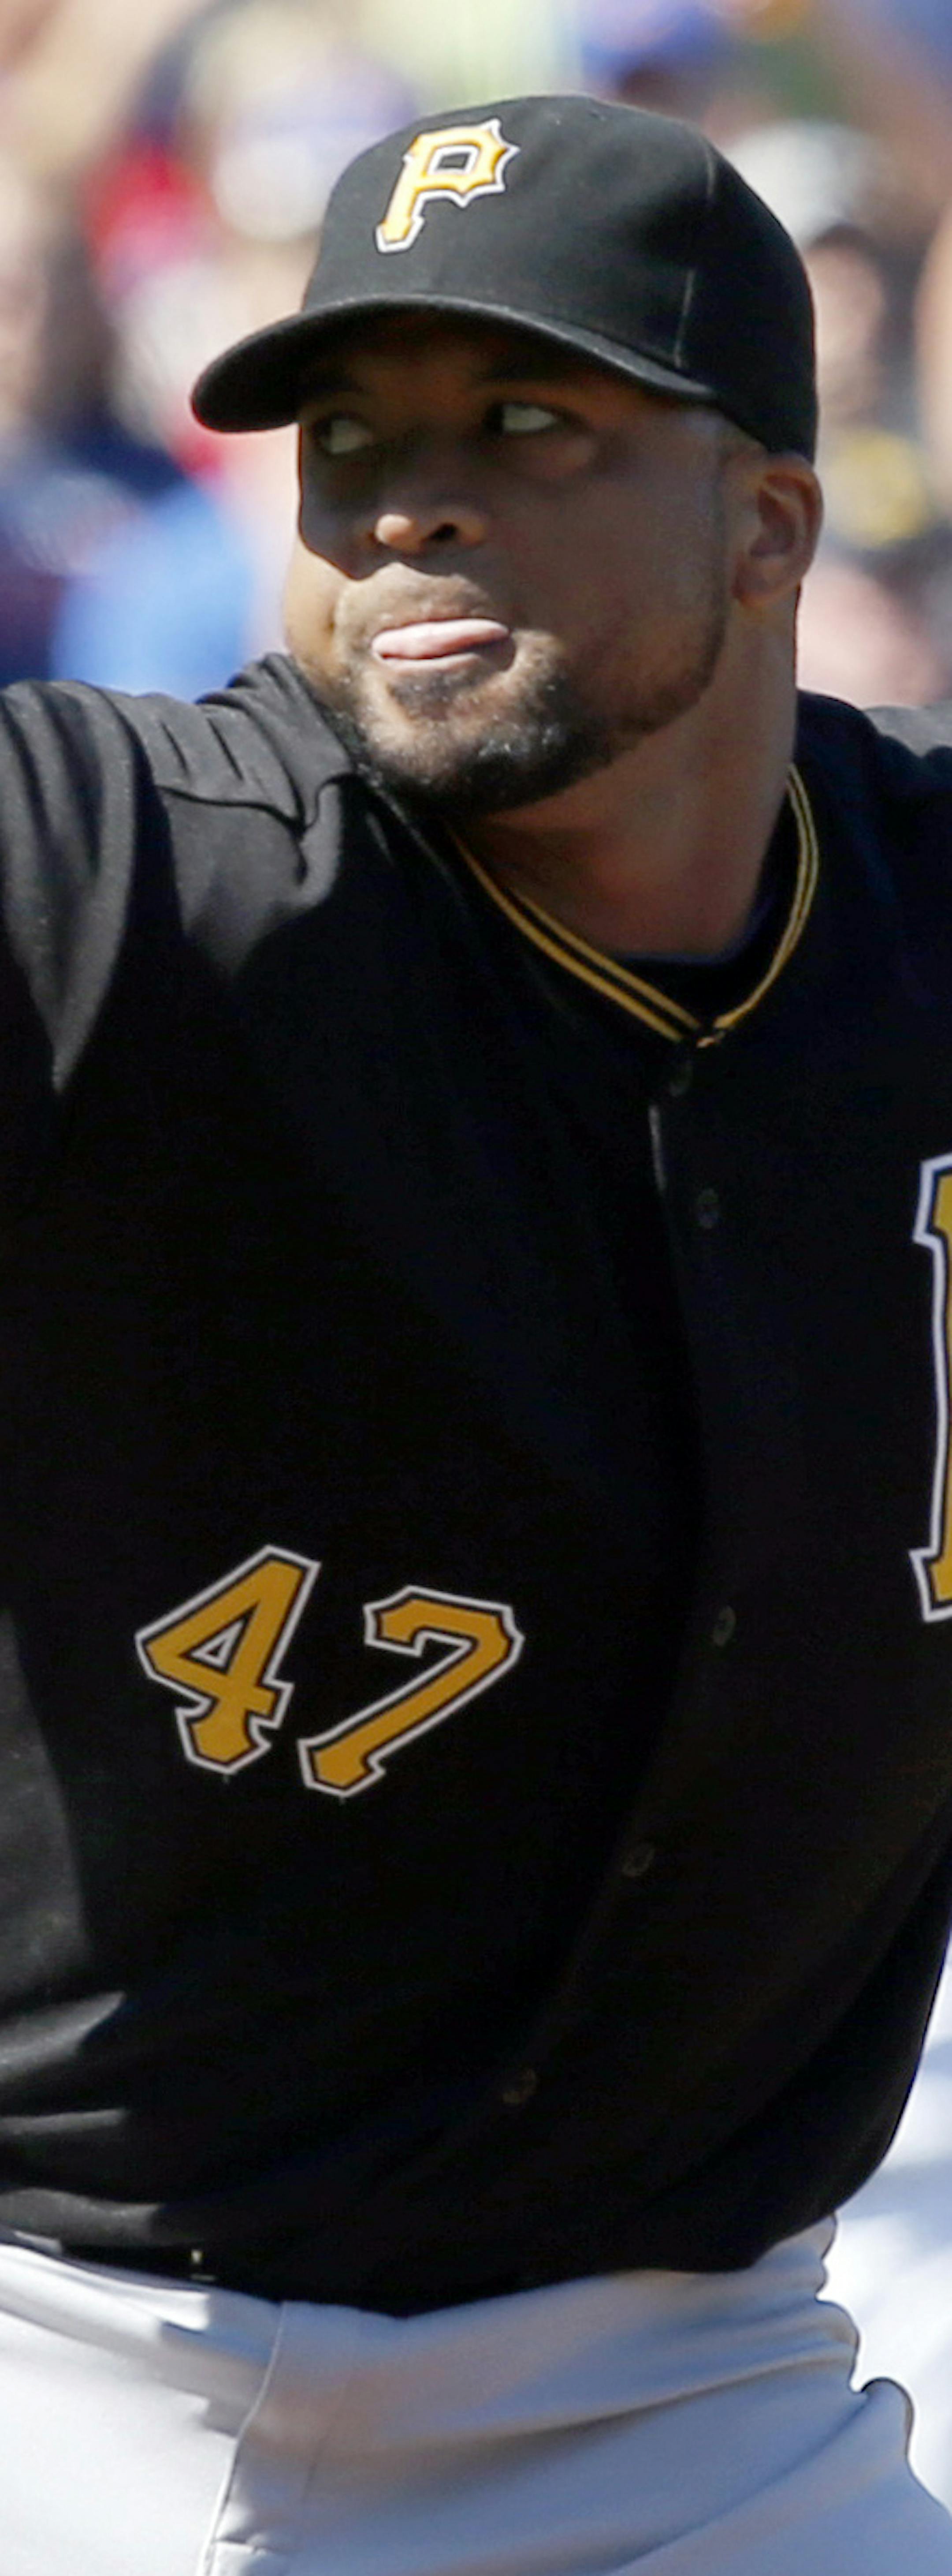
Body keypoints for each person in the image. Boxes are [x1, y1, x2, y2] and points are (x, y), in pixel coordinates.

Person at [2, 90, 952, 2576]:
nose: (409, 502)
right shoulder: (156, 881)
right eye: (355, 441)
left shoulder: (927, 926)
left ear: (770, 516)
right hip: (74, 2362)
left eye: (527, 422)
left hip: (697, 2376)